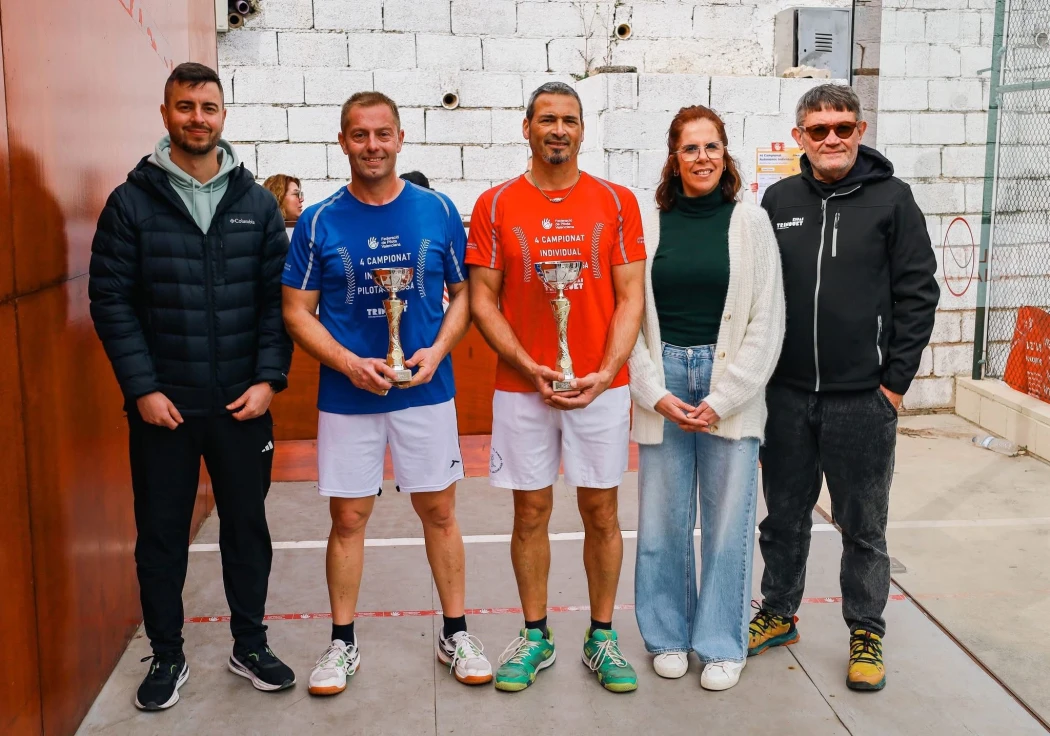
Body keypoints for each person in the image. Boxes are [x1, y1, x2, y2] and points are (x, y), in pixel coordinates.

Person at [88, 62, 295, 711]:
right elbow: (111, 300)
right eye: (185, 107)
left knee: (246, 529)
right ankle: (168, 654)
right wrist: (143, 388)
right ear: (166, 113)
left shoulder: (256, 204)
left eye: (208, 107)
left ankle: (250, 643)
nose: (197, 118)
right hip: (164, 411)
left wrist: (268, 379)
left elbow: (277, 303)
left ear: (223, 115)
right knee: (160, 535)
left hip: (243, 405)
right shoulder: (132, 202)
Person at [281, 91, 491, 696]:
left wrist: (438, 351)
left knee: (441, 512)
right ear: (343, 141)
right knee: (347, 517)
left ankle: (456, 632)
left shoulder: (437, 210)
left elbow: (467, 294)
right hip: (349, 396)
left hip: (426, 390)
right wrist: (348, 363)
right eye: (359, 135)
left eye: (382, 134)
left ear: (400, 139)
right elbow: (296, 311)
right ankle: (341, 644)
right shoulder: (320, 218)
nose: (371, 146)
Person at [749, 84, 939, 691]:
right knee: (783, 517)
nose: (832, 139)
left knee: (863, 526)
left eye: (843, 127)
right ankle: (778, 612)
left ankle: (866, 630)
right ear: (799, 136)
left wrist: (894, 385)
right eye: (818, 129)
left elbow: (918, 293)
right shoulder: (777, 200)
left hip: (864, 398)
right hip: (786, 395)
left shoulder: (893, 200)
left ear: (860, 131)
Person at [466, 82, 646, 693]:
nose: (559, 130)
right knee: (531, 511)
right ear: (527, 128)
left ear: (582, 131)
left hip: (600, 384)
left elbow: (630, 298)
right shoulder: (494, 205)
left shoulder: (617, 202)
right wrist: (525, 362)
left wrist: (604, 372)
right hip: (523, 388)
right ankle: (536, 635)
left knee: (601, 510)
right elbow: (483, 301)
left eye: (569, 120)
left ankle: (601, 637)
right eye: (547, 120)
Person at [628, 106, 785, 691]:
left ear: (726, 154)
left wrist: (727, 396)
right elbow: (630, 320)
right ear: (674, 156)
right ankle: (667, 635)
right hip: (665, 379)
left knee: (728, 523)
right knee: (663, 522)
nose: (702, 158)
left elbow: (766, 322)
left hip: (729, 388)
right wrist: (652, 391)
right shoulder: (647, 222)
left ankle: (722, 641)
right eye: (690, 148)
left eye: (712, 147)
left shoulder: (751, 223)